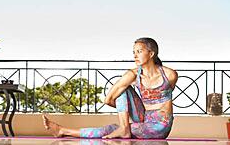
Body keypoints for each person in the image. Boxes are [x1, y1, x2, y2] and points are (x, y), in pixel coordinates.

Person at [43, 37, 178, 139]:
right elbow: (109, 99)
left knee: (112, 128)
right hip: (143, 118)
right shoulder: (132, 75)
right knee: (122, 90)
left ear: (151, 53)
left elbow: (165, 98)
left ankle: (63, 130)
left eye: (139, 51)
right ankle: (124, 129)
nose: (135, 55)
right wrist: (125, 109)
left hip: (161, 124)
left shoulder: (169, 75)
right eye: (134, 52)